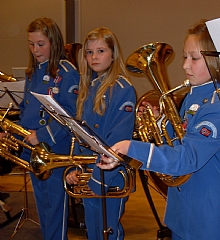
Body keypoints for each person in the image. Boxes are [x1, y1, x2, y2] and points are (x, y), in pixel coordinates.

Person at [98, 19, 220, 240]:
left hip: (206, 220)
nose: (185, 65)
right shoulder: (195, 95)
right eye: (185, 56)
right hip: (182, 214)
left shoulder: (215, 107)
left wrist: (130, 147)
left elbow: (186, 158)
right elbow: (183, 139)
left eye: (194, 58)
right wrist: (162, 122)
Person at [65, 27, 136, 240]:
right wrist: (75, 167)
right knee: (94, 231)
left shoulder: (123, 88)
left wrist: (98, 180)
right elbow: (81, 135)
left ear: (113, 54)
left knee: (108, 231)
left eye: (101, 51)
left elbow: (118, 141)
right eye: (89, 52)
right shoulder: (89, 88)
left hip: (109, 176)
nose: (94, 57)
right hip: (89, 171)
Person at [18, 18, 79, 240]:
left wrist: (42, 135)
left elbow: (69, 115)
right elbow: (27, 111)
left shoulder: (67, 72)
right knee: (43, 206)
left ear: (53, 42)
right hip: (34, 150)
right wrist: (13, 131)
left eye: (41, 44)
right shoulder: (32, 71)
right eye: (31, 44)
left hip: (54, 149)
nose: (35, 49)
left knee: (54, 210)